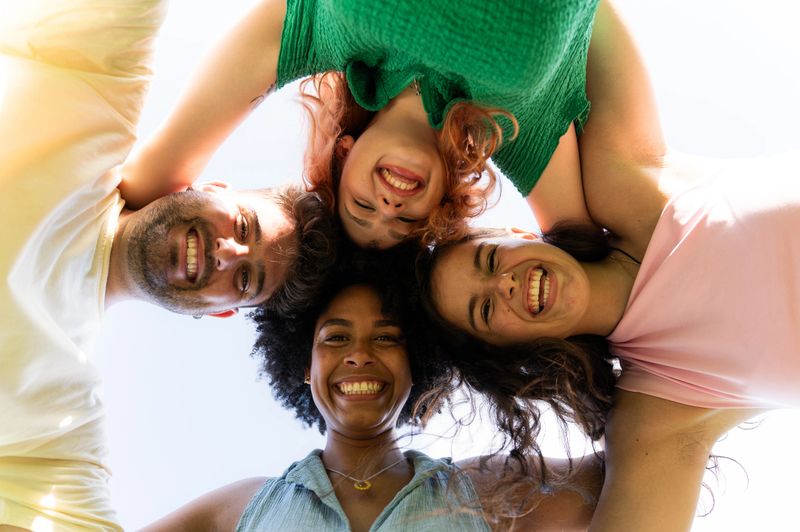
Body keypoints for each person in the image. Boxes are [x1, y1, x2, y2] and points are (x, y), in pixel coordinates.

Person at [420, 2, 798, 530]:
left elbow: (584, 13)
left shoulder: (626, 187)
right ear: (508, 349)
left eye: (489, 260)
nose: (504, 283)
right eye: (484, 310)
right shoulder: (661, 408)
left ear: (520, 235)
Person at [0, 1, 335, 528]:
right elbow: (285, 30)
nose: (227, 252)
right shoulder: (96, 96)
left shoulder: (57, 426)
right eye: (244, 226)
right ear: (214, 185)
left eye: (245, 279)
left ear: (222, 311)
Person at [119, 0, 600, 248]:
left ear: (344, 153)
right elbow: (584, 256)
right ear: (442, 198)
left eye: (361, 206)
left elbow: (149, 181)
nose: (389, 206)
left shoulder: (309, 39)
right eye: (405, 221)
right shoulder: (519, 127)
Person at [142, 272, 602, 531]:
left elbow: (637, 461)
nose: (359, 355)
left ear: (414, 362)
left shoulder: (486, 491)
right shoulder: (244, 508)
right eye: (336, 337)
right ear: (306, 365)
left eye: (386, 337)